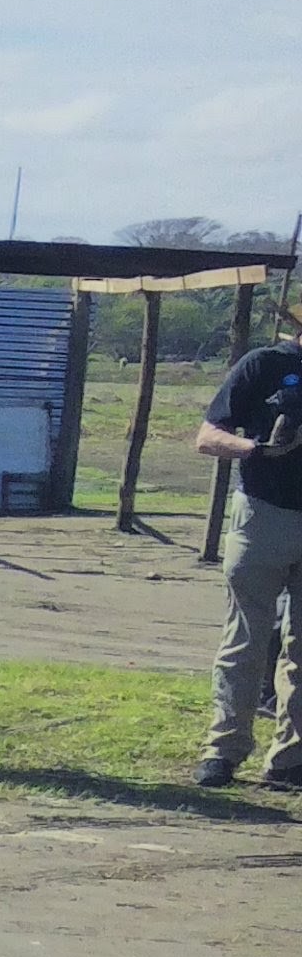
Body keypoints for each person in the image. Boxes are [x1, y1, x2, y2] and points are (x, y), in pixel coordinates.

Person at [191, 292, 302, 786]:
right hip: (263, 515)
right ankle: (224, 749)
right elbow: (207, 437)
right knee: (246, 637)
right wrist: (257, 448)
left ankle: (290, 760)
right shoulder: (265, 364)